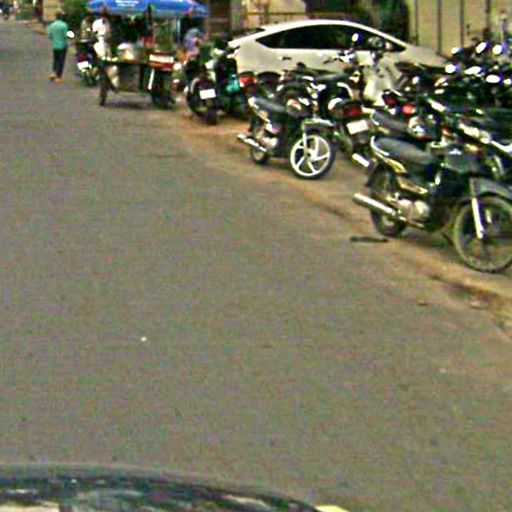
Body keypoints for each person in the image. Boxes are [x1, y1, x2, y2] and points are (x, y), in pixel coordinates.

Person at [47, 11, 70, 83]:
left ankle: (54, 72)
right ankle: (58, 76)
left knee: (55, 60)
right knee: (61, 61)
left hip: (55, 46)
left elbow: (50, 36)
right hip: (63, 45)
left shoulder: (52, 25)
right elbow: (65, 35)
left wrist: (55, 39)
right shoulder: (64, 25)